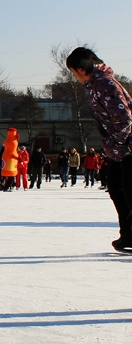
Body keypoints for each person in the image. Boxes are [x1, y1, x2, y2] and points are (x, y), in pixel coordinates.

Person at [66, 47, 132, 252]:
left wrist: (118, 142)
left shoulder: (104, 84)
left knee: (128, 192)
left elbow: (124, 118)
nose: (74, 76)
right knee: (116, 188)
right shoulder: (97, 85)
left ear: (80, 69)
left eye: (73, 72)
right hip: (119, 150)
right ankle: (129, 235)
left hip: (127, 147)